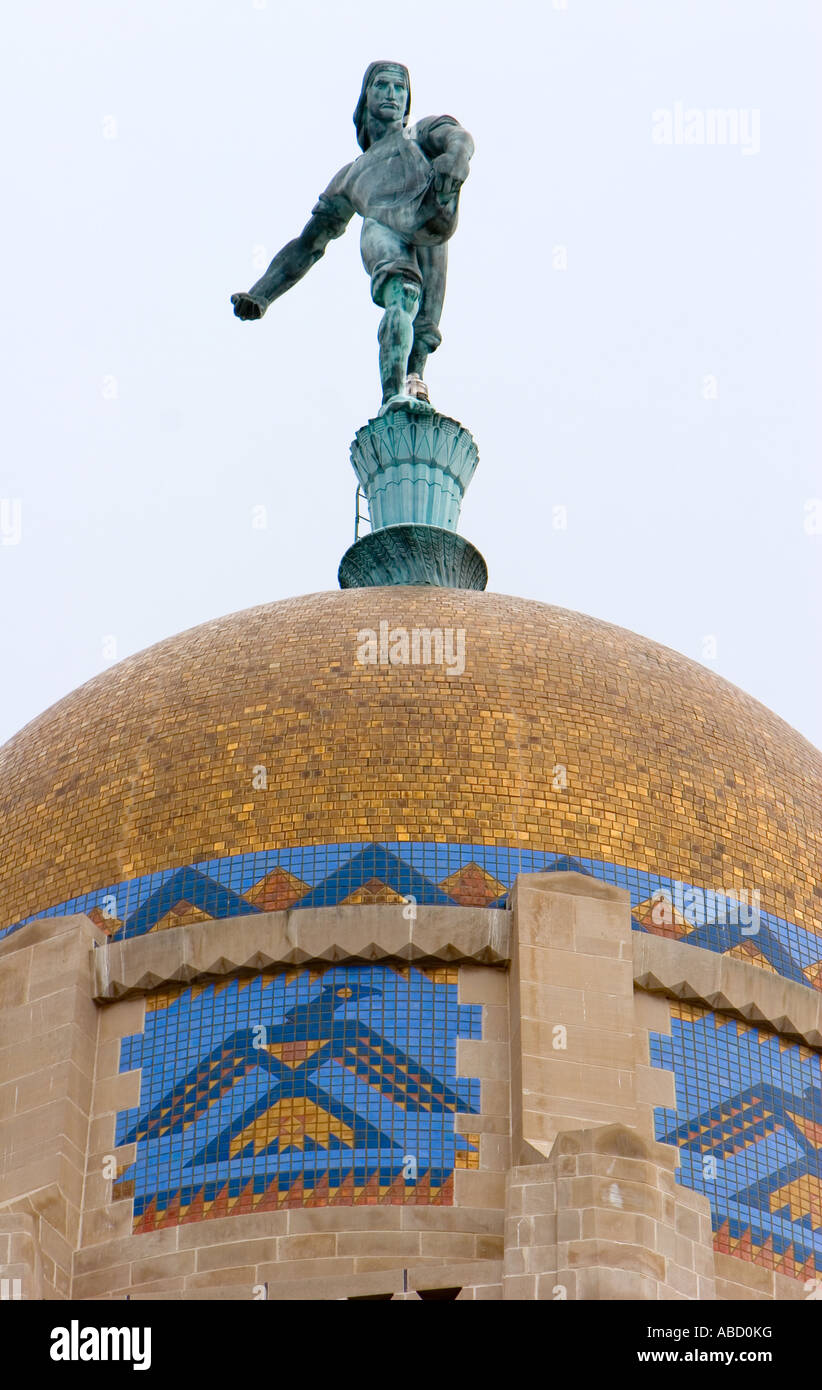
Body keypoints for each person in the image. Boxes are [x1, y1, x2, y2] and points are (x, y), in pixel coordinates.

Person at [231, 61, 474, 414]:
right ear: (366, 97)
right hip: (383, 228)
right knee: (402, 296)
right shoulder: (349, 177)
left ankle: (414, 376)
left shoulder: (418, 135)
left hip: (430, 217)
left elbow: (457, 136)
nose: (392, 94)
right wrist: (262, 293)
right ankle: (393, 395)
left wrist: (456, 156)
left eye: (399, 88)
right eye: (382, 86)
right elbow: (308, 245)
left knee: (425, 327)